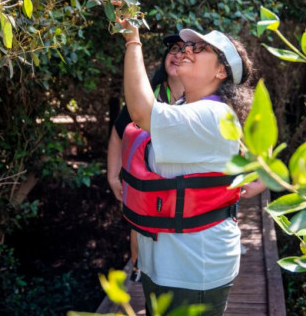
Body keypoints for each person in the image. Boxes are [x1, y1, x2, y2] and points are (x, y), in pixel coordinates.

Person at [119, 18, 254, 315]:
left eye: (201, 48)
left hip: (195, 269)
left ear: (221, 71)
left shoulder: (216, 115)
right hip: (163, 263)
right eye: (188, 45)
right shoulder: (183, 108)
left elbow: (141, 111)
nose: (187, 50)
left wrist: (133, 41)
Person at [107, 34, 185, 282]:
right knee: (140, 239)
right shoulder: (146, 95)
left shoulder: (204, 103)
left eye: (185, 52)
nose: (177, 55)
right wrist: (112, 177)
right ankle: (140, 273)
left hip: (182, 199)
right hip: (145, 190)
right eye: (174, 49)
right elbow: (119, 132)